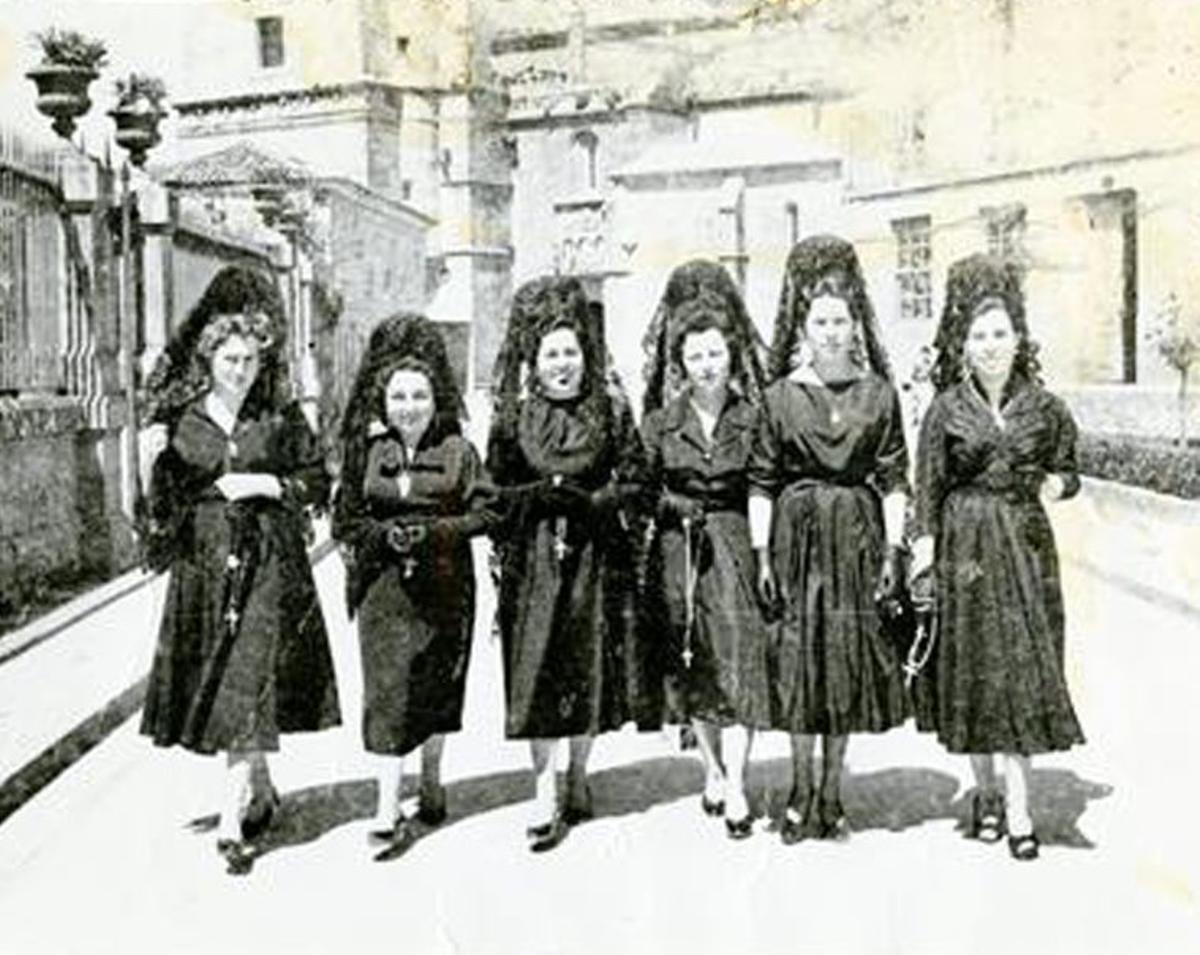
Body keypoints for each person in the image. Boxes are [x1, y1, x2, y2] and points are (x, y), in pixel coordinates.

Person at [138, 266, 340, 873]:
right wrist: (151, 468)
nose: (241, 370)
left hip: (269, 563)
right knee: (232, 678)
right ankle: (262, 786)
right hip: (205, 571)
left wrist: (266, 482)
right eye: (230, 359)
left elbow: (315, 481)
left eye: (250, 359)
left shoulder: (277, 418)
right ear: (209, 358)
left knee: (248, 675)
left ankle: (231, 822)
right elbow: (162, 510)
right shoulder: (181, 423)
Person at [910, 253, 1084, 862]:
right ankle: (984, 791)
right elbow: (927, 488)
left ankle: (1019, 807)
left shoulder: (1045, 406)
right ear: (963, 344)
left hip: (1027, 549)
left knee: (1020, 669)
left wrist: (1058, 486)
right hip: (966, 552)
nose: (990, 346)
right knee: (974, 673)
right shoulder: (945, 411)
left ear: (1018, 339)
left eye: (1000, 334)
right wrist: (924, 560)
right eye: (979, 336)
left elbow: (1069, 467)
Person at [748, 235, 911, 844]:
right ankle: (797, 787)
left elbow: (895, 477)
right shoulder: (780, 396)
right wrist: (764, 555)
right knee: (798, 661)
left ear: (855, 324)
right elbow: (762, 481)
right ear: (803, 326)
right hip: (794, 539)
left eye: (841, 320)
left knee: (840, 661)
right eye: (820, 321)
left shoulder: (879, 394)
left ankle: (833, 791)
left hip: (857, 540)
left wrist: (895, 551)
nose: (831, 332)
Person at [486, 276, 650, 852]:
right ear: (534, 360)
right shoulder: (513, 418)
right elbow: (493, 491)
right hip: (534, 561)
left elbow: (636, 480)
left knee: (588, 667)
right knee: (536, 668)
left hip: (594, 555)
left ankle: (579, 774)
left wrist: (596, 501)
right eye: (552, 353)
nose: (563, 364)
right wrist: (535, 498)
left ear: (586, 356)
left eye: (572, 352)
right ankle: (542, 790)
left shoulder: (608, 410)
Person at [332, 313, 494, 859]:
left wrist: (432, 532)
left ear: (435, 398)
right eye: (399, 396)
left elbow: (486, 511)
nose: (409, 406)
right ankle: (386, 804)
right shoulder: (367, 454)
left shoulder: (457, 451)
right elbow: (345, 522)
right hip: (383, 589)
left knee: (435, 683)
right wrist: (384, 536)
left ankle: (431, 776)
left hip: (446, 586)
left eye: (419, 395)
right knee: (387, 691)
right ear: (384, 401)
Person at [640, 260, 772, 839]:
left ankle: (739, 785)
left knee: (739, 662)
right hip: (680, 554)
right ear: (680, 363)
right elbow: (639, 493)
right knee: (692, 665)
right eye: (695, 356)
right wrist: (674, 508)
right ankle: (712, 770)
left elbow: (768, 483)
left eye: (715, 354)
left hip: (735, 548)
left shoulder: (753, 417)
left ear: (731, 354)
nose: (706, 366)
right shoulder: (660, 424)